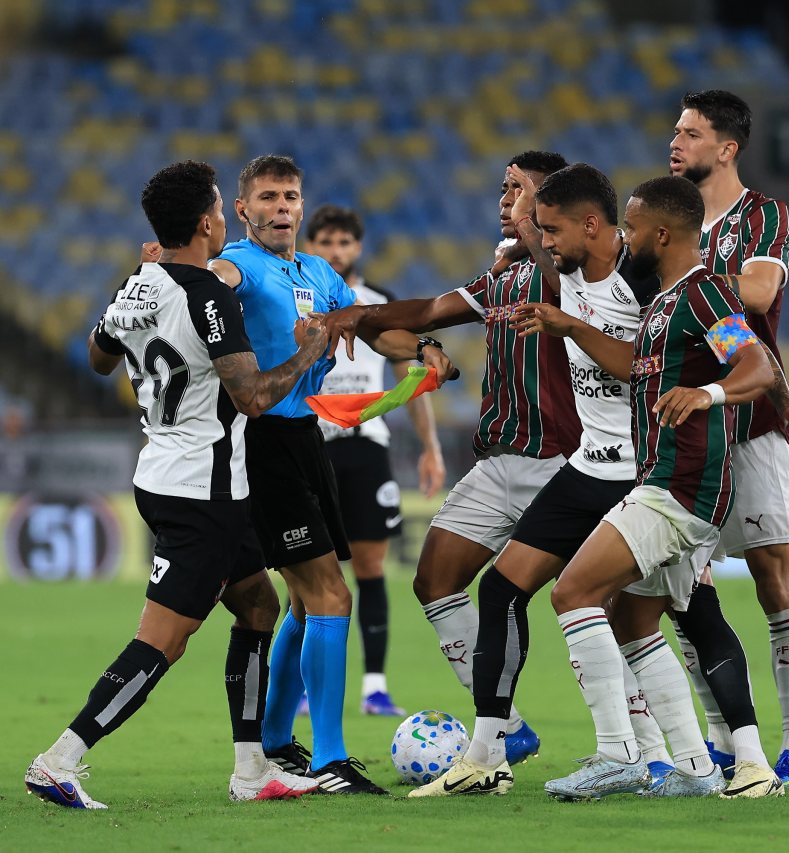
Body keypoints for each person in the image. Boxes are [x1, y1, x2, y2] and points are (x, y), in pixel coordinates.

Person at [25, 161, 327, 808]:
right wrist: (307, 352)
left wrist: (136, 287)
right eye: (220, 208)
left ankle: (252, 769)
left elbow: (98, 357)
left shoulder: (141, 283)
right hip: (203, 489)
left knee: (258, 606)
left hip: (169, 474)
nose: (224, 218)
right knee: (162, 640)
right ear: (205, 223)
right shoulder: (207, 294)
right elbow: (250, 396)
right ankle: (61, 756)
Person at [317, 152, 578, 767]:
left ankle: (658, 745)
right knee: (434, 580)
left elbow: (572, 282)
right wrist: (359, 314)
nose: (502, 199)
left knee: (607, 602)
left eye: (517, 190)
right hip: (498, 460)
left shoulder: (584, 270)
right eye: (502, 188)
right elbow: (430, 311)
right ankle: (508, 727)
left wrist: (531, 239)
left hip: (566, 463)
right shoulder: (505, 277)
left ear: (551, 205)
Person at [207, 155, 453, 795]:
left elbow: (376, 333)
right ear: (244, 209)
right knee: (330, 595)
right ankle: (330, 759)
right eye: (268, 197)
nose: (282, 206)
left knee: (304, 599)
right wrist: (178, 271)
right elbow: (209, 285)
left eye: (290, 195)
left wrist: (423, 351)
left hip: (307, 439)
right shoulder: (237, 264)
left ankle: (277, 742)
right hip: (260, 441)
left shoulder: (318, 273)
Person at [534, 176, 780, 800]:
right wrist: (572, 328)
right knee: (633, 619)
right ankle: (696, 769)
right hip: (669, 482)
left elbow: (757, 366)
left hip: (680, 486)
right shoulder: (668, 302)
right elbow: (631, 368)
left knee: (573, 592)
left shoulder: (703, 295)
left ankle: (617, 755)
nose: (625, 238)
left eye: (634, 229)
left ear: (661, 234)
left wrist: (708, 392)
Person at [669, 88, 789, 787]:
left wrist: (680, 281)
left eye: (692, 133)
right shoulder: (664, 215)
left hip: (751, 423)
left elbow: (756, 299)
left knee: (773, 580)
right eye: (676, 131)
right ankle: (725, 736)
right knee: (680, 588)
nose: (677, 142)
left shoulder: (760, 215)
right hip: (682, 426)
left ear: (726, 148)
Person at [304, 205, 446, 718]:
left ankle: (374, 686)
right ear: (311, 246)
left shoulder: (381, 303)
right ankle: (305, 686)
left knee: (369, 568)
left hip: (366, 445)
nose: (335, 251)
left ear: (357, 248)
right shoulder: (297, 296)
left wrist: (430, 446)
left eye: (344, 242)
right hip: (311, 441)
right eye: (325, 242)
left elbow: (413, 379)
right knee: (306, 573)